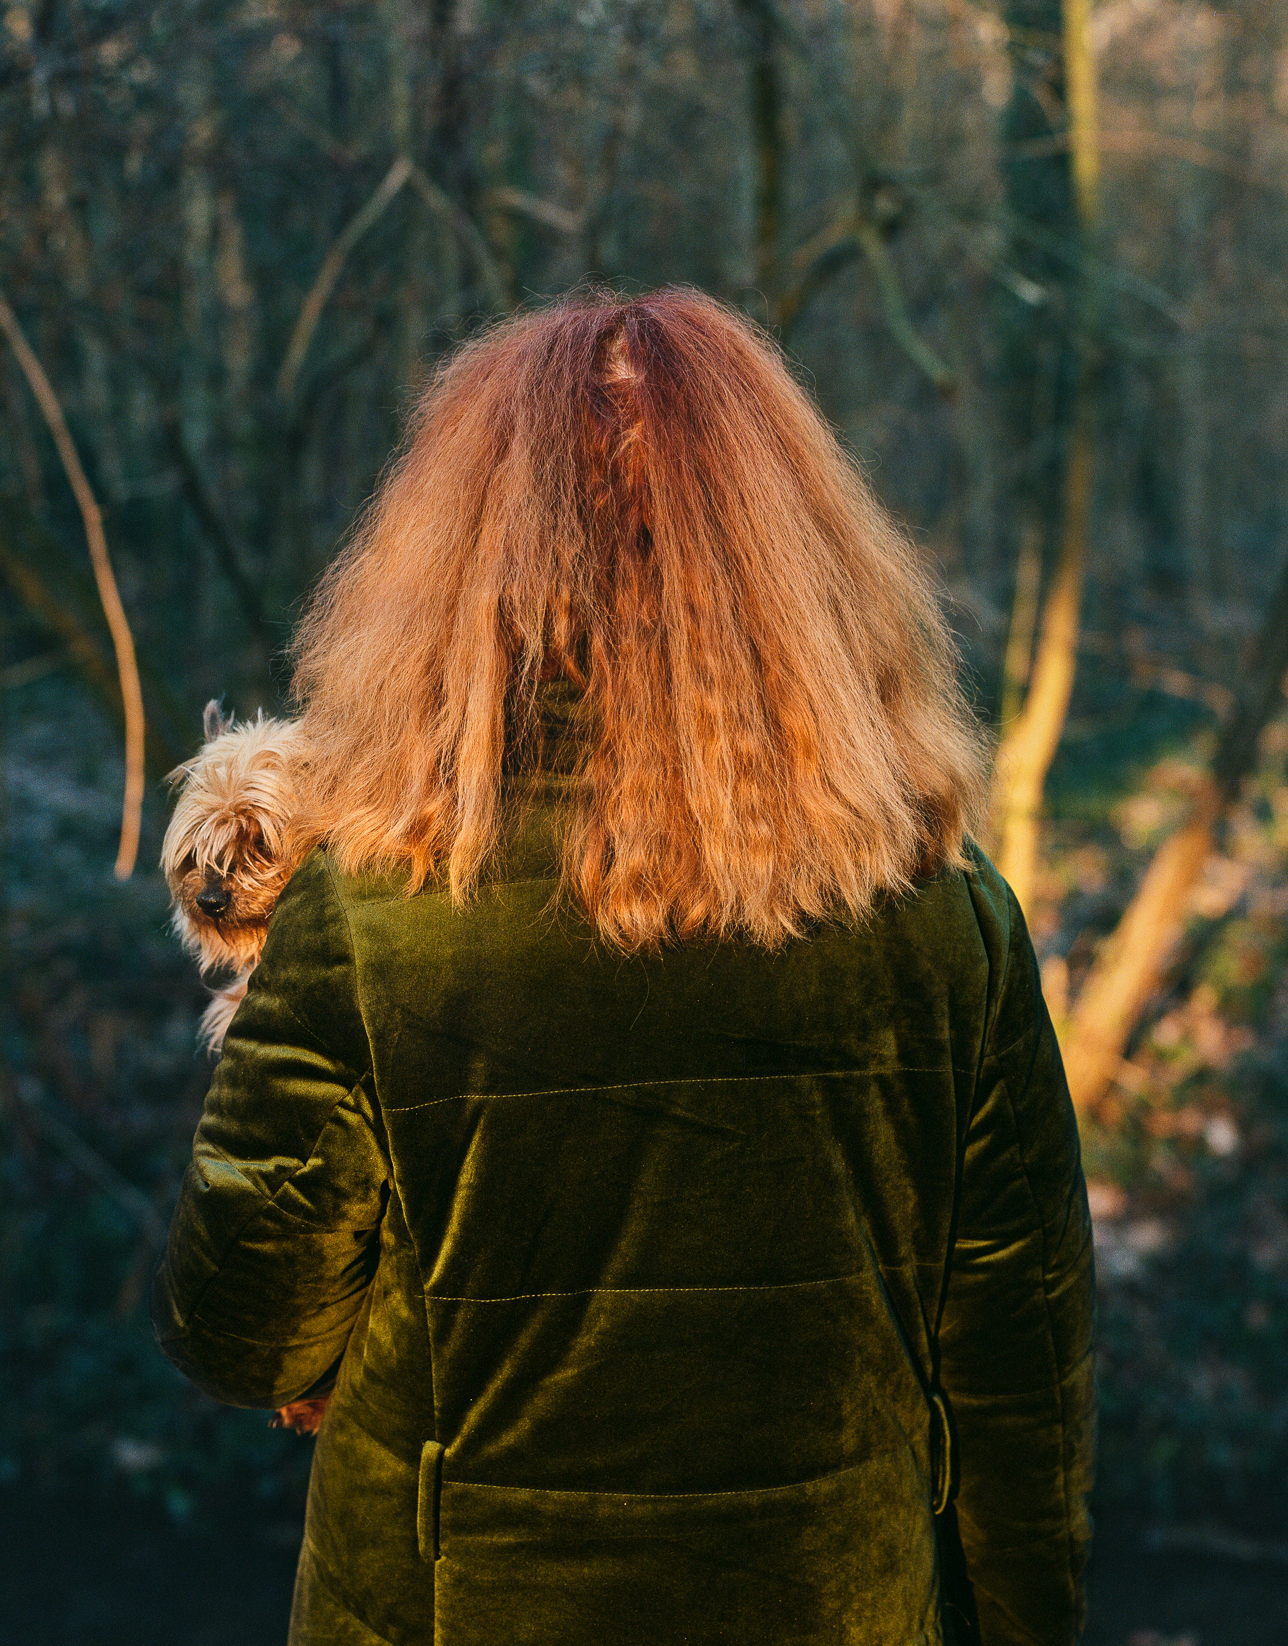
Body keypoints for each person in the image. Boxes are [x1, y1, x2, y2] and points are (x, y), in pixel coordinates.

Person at [151, 286, 1096, 1646]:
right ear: (797, 561)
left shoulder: (374, 913)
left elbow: (244, 1328)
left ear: (456, 574)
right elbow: (1023, 1385)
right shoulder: (945, 921)